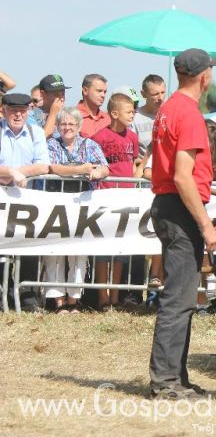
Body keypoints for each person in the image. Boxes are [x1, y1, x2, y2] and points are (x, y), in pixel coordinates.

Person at [149, 48, 216, 400]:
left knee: (180, 298)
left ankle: (176, 377)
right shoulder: (189, 114)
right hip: (179, 209)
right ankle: (165, 383)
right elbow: (183, 176)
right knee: (178, 300)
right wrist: (206, 225)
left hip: (166, 206)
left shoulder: (168, 108)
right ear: (204, 77)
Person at [43, 107, 109, 314]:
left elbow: (105, 167)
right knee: (54, 251)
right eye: (63, 124)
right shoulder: (51, 144)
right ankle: (58, 301)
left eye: (71, 124)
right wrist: (81, 169)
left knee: (78, 252)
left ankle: (74, 300)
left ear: (79, 126)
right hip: (56, 203)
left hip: (83, 205)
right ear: (58, 126)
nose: (67, 127)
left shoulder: (90, 144)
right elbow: (52, 168)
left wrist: (98, 171)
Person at [0, 93, 50, 311]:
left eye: (22, 110)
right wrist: (11, 172)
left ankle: (27, 294)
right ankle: (4, 291)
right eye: (12, 110)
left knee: (29, 245)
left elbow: (43, 166)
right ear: (3, 110)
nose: (17, 114)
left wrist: (16, 173)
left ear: (29, 111)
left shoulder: (36, 132)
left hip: (28, 199)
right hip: (2, 198)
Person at [92, 93, 140, 311]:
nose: (133, 115)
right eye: (129, 111)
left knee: (121, 248)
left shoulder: (132, 137)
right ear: (114, 113)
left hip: (127, 196)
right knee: (103, 247)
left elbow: (135, 162)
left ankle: (115, 296)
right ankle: (102, 297)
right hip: (106, 196)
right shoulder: (100, 137)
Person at [133, 74, 167, 159]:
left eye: (162, 93)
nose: (160, 98)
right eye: (155, 94)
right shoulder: (133, 117)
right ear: (143, 94)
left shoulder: (171, 115)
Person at [30, 74, 70, 138]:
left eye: (62, 94)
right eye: (56, 94)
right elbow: (40, 141)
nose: (61, 98)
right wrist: (53, 114)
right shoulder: (32, 116)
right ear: (43, 94)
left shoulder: (69, 115)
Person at [77, 73, 111, 138]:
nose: (103, 95)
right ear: (85, 90)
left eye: (105, 92)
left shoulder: (108, 119)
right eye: (99, 91)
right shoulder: (71, 117)